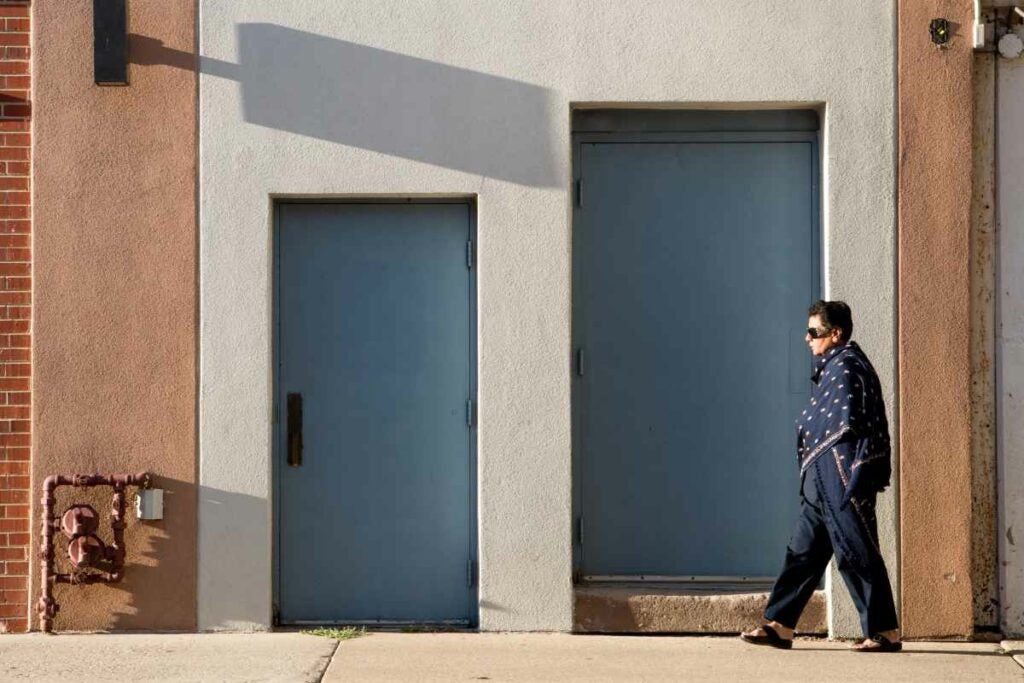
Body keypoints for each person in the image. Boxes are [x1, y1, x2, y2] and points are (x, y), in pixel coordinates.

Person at [740, 300, 901, 652]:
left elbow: (856, 425)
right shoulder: (833, 368)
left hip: (841, 475)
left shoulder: (848, 367)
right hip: (820, 475)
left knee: (855, 549)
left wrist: (854, 471)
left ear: (835, 334)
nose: (807, 338)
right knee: (803, 550)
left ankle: (884, 630)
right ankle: (779, 624)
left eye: (813, 332)